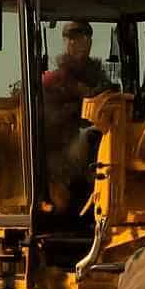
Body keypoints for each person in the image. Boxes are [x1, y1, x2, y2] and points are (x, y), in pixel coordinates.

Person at [41, 20, 113, 212]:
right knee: (89, 138)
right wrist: (73, 109)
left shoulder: (101, 80)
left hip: (103, 142)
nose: (77, 44)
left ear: (89, 43)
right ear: (66, 43)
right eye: (72, 39)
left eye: (82, 39)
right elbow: (46, 120)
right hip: (59, 148)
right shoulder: (52, 82)